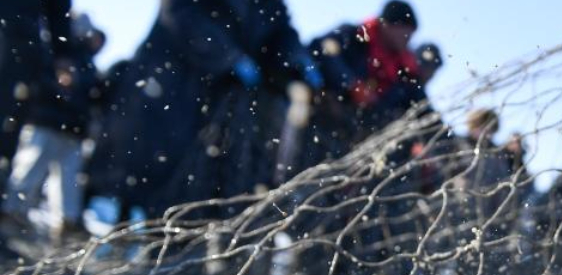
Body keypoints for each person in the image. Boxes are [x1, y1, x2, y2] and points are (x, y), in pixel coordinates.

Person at [103, 0, 320, 218]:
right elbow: (179, 11)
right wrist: (228, 58)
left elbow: (281, 31)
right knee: (153, 169)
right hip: (172, 82)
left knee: (216, 176)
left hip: (227, 97)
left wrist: (298, 61)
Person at [3, 13, 104, 239]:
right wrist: (61, 96)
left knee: (69, 181)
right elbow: (42, 83)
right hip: (47, 121)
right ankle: (12, 214)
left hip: (73, 129)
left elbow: (89, 94)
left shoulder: (85, 61)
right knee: (29, 169)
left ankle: (66, 224)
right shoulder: (56, 53)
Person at [312, 1, 427, 141]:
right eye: (405, 33)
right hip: (323, 117)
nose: (408, 39)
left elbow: (423, 108)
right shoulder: (353, 36)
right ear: (388, 25)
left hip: (362, 134)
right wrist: (351, 85)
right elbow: (320, 50)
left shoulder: (406, 70)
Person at [0, 0, 74, 209]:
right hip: (17, 40)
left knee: (8, 128)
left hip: (22, 46)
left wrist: (63, 54)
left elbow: (58, 11)